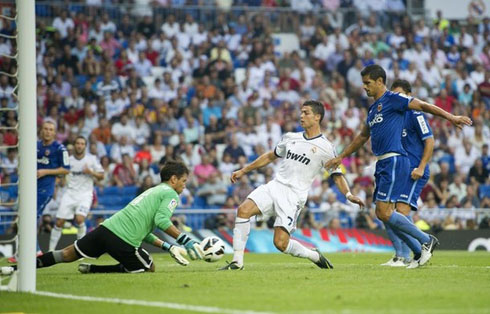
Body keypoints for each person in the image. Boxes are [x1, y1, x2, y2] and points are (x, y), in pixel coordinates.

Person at [326, 65, 472, 269]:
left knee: (386, 212)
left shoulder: (393, 98)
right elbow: (362, 137)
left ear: (379, 81)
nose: (364, 88)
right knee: (382, 213)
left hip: (395, 160)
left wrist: (451, 117)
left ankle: (424, 240)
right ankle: (418, 249)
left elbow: (423, 105)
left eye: (367, 83)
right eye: (363, 84)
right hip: (383, 163)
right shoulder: (372, 109)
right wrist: (341, 156)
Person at [220, 100, 365, 271]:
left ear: (317, 117)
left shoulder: (326, 148)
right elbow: (269, 156)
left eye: (306, 113)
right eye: (301, 112)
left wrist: (348, 195)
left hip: (294, 195)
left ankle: (314, 255)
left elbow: (337, 175)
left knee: (280, 243)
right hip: (275, 185)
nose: (301, 116)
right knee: (243, 210)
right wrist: (244, 170)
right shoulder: (290, 138)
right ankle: (237, 262)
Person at [5, 161, 203, 274]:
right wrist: (186, 240)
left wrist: (168, 246)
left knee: (65, 254)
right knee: (148, 268)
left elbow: (145, 231)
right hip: (123, 240)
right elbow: (162, 222)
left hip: (106, 229)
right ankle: (96, 270)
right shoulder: (171, 194)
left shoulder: (154, 191)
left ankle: (14, 269)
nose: (184, 185)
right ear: (174, 179)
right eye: (183, 181)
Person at [380, 79, 435, 268]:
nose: (398, 99)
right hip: (399, 170)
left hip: (414, 170)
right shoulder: (395, 116)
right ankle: (403, 255)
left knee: (401, 213)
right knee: (385, 213)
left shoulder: (415, 114)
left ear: (409, 96)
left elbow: (429, 141)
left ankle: (418, 249)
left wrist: (421, 167)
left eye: (401, 95)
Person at [8, 120, 71, 263]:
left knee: (30, 217)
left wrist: (45, 172)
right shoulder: (35, 146)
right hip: (30, 187)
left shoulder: (60, 149)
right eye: (45, 129)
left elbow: (66, 169)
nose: (48, 131)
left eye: (50, 129)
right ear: (41, 131)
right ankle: (22, 252)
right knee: (24, 217)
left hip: (45, 189)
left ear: (54, 133)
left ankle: (35, 251)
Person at [48, 136, 105, 251]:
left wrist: (90, 172)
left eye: (82, 144)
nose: (79, 145)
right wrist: (59, 181)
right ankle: (50, 250)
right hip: (69, 194)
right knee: (59, 222)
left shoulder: (92, 159)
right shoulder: (68, 160)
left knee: (79, 219)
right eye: (78, 143)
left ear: (85, 146)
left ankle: (81, 250)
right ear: (74, 145)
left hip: (85, 194)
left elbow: (102, 176)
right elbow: (61, 175)